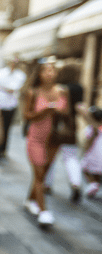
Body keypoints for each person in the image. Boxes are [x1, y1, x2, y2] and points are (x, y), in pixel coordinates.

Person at [23, 62, 68, 227]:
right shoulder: (33, 92)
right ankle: (44, 212)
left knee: (42, 174)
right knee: (40, 174)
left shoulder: (62, 91)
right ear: (39, 74)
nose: (50, 73)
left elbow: (67, 112)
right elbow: (26, 115)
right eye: (46, 70)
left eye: (52, 70)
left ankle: (30, 200)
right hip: (36, 138)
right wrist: (43, 112)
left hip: (53, 139)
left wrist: (57, 109)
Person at [43, 64, 84, 202]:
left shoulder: (56, 87)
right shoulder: (79, 88)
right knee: (71, 157)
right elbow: (79, 107)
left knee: (50, 157)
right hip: (69, 126)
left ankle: (47, 185)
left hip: (54, 125)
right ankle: (75, 183)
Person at [0, 55, 27, 162]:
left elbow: (15, 88)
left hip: (11, 106)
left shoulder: (20, 75)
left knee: (7, 128)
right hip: (0, 105)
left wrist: (5, 88)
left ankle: (3, 150)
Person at [78, 105, 102, 198]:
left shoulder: (91, 128)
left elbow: (88, 142)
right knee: (97, 171)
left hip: (93, 154)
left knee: (84, 167)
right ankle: (95, 184)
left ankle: (93, 183)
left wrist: (85, 150)